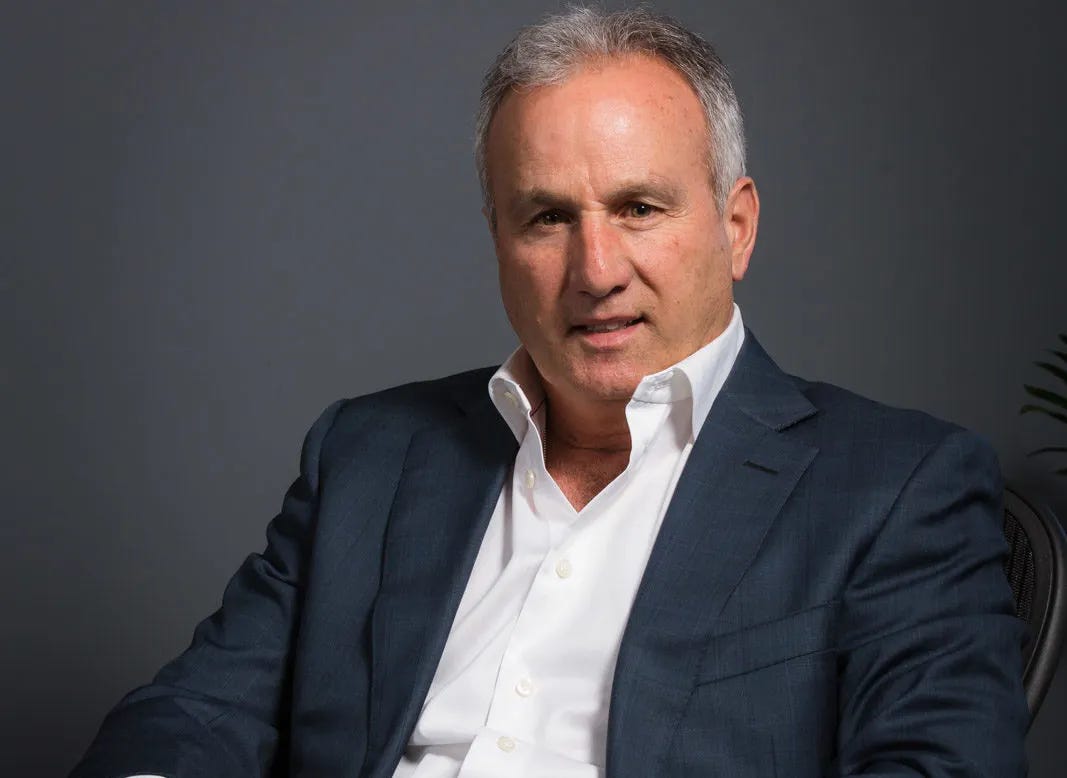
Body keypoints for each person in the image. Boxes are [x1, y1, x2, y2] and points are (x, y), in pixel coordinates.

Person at [71, 7, 1028, 777]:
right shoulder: (366, 455)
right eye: (546, 218)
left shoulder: (899, 487)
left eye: (639, 208)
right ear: (498, 240)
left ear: (735, 228)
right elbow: (196, 714)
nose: (595, 269)